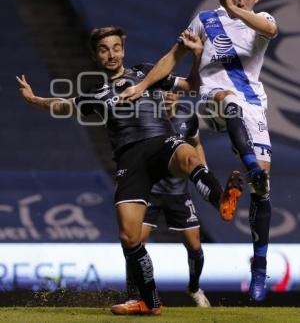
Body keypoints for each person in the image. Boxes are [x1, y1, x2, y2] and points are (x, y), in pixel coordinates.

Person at [16, 26, 242, 316]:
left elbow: (193, 86)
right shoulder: (95, 94)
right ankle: (149, 301)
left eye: (115, 47)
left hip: (160, 141)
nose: (111, 54)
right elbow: (62, 106)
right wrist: (34, 99)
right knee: (129, 237)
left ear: (122, 49)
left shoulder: (145, 73)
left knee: (187, 157)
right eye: (103, 49)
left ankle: (221, 199)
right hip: (130, 160)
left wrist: (195, 55)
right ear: (96, 55)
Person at [121, 0, 278, 302]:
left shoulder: (260, 18)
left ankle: (260, 266)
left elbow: (270, 29)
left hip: (254, 106)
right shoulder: (206, 19)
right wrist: (143, 85)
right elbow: (170, 58)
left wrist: (236, 11)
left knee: (262, 192)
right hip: (214, 95)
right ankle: (249, 165)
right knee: (227, 101)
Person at [120, 92, 212, 310]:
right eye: (164, 92)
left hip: (178, 191)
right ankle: (134, 295)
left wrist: (203, 170)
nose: (169, 96)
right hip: (149, 189)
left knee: (195, 246)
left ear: (179, 95)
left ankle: (194, 288)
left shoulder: (188, 118)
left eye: (174, 92)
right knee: (134, 241)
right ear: (156, 96)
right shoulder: (146, 119)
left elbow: (196, 143)